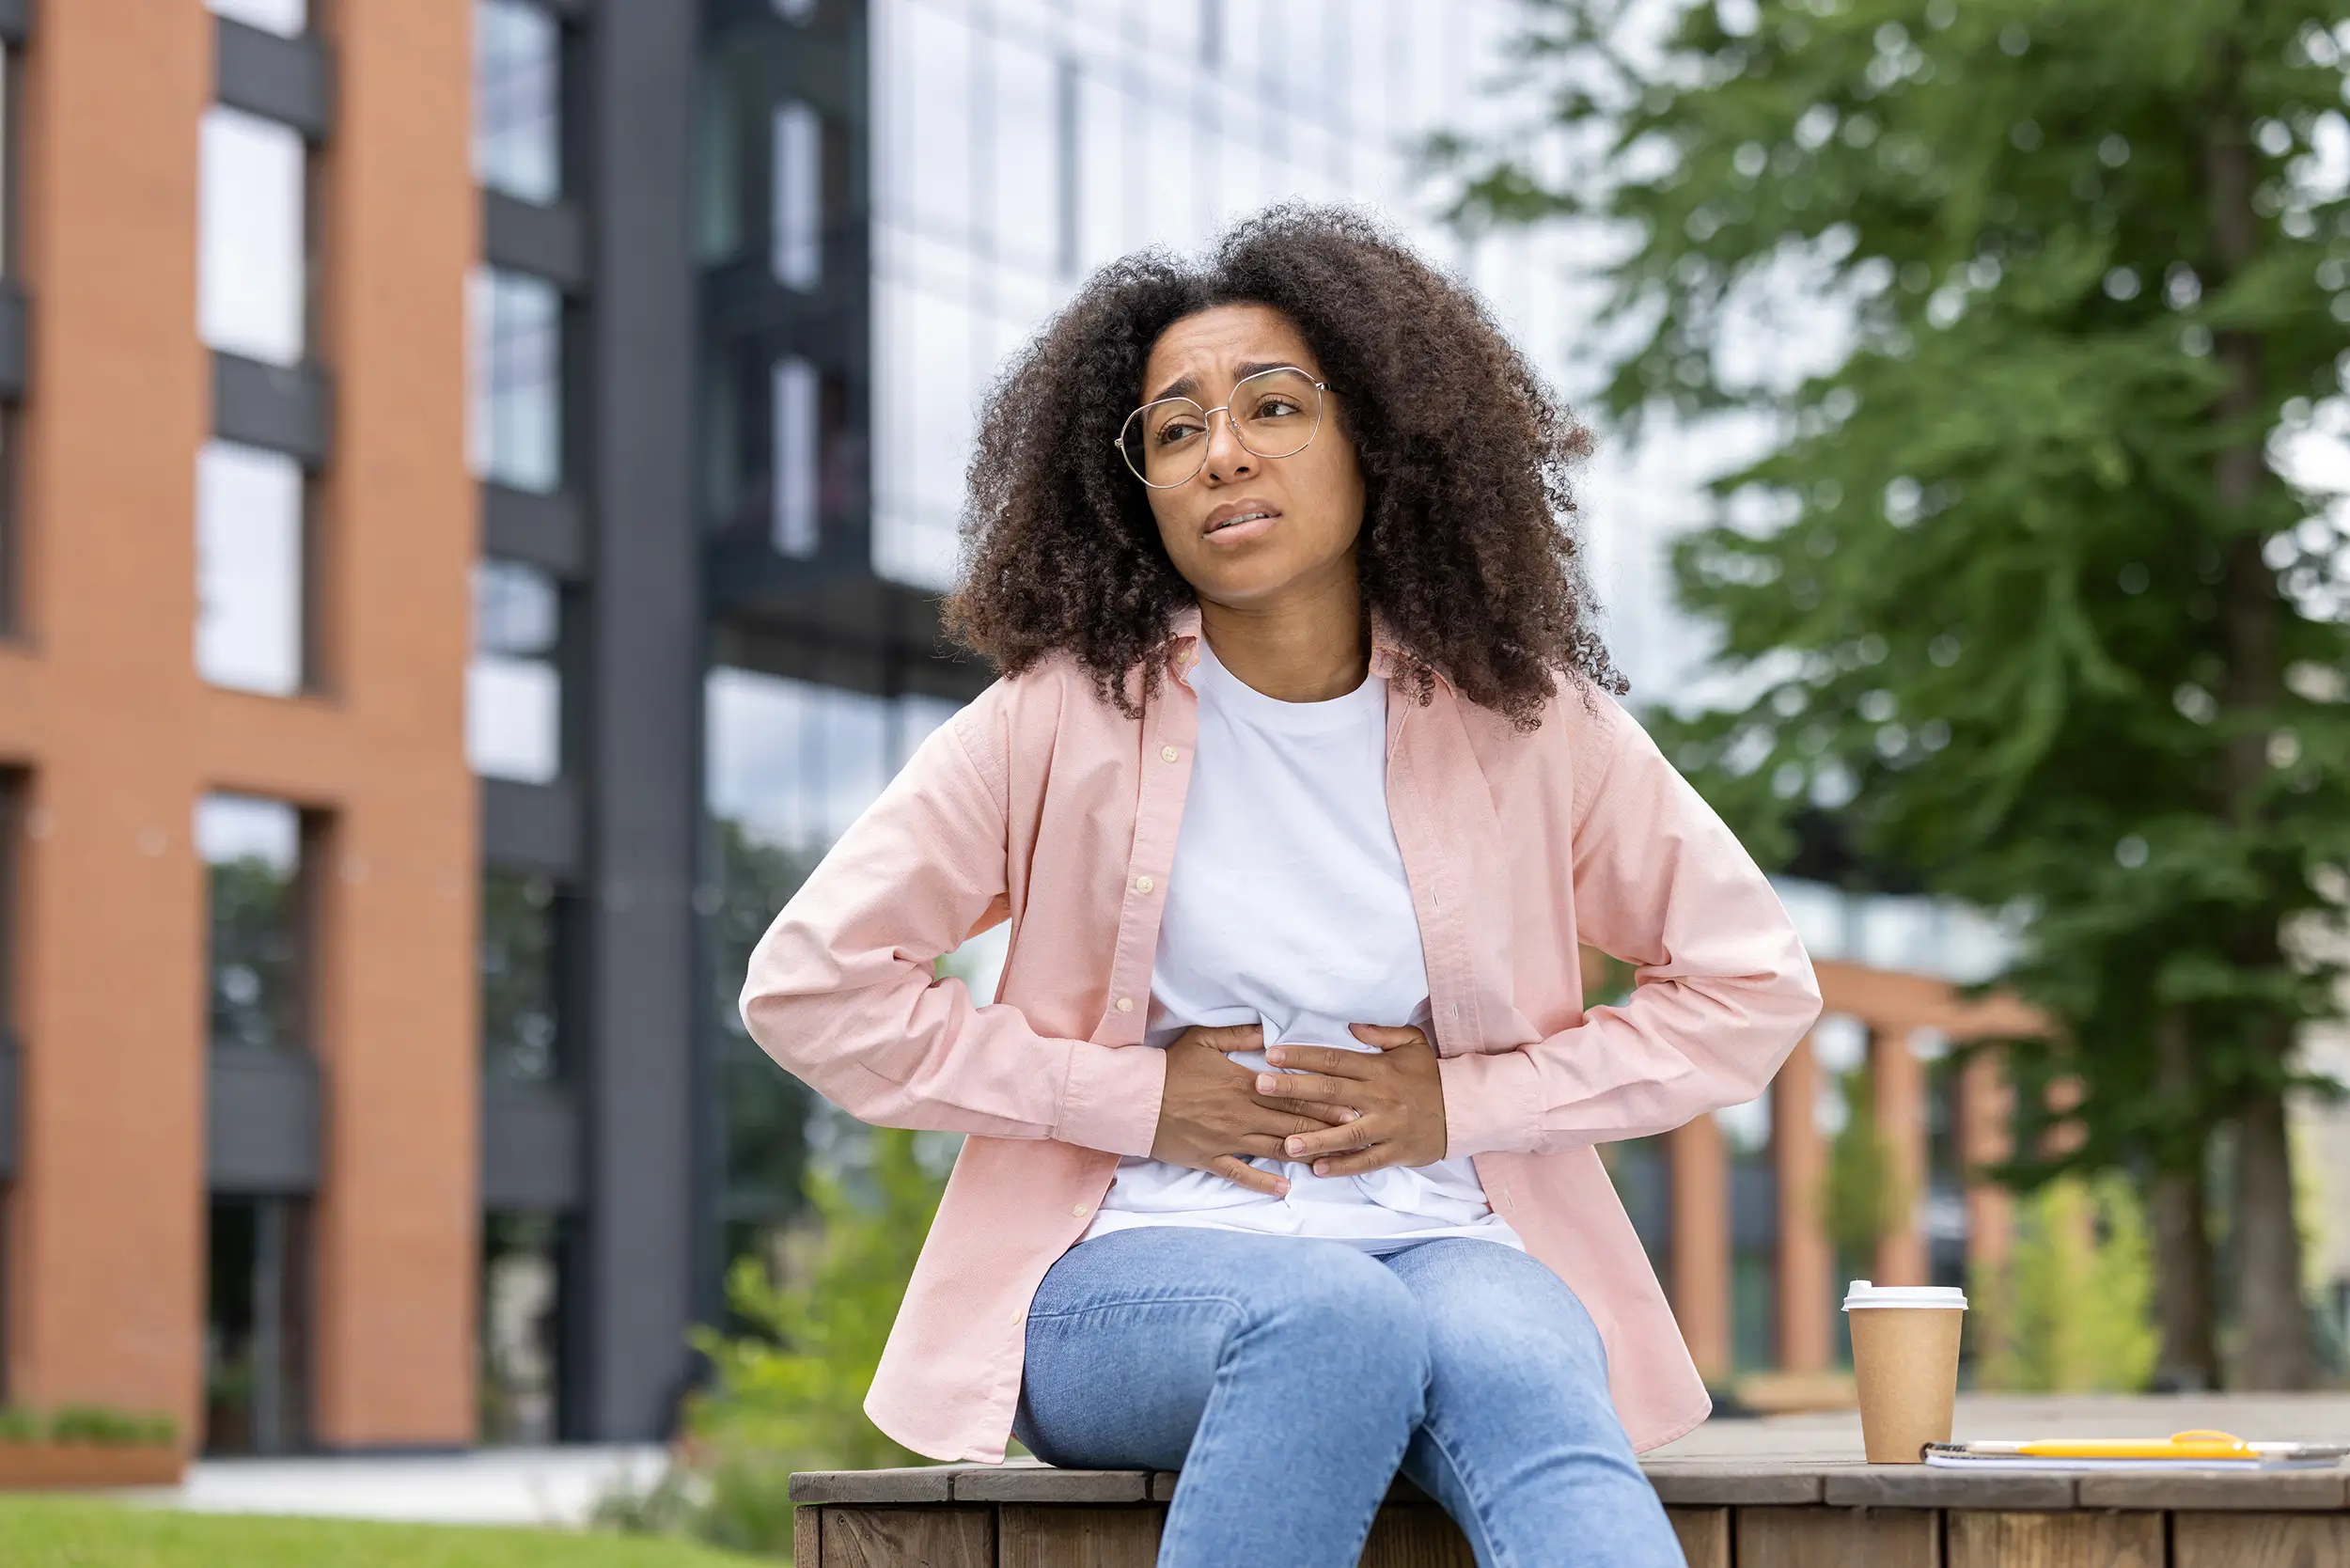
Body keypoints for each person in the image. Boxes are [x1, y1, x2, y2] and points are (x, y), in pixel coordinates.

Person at [741, 204, 1821, 1568]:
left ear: (1375, 431)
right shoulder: (1061, 717)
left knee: (1533, 1372)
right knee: (1327, 1315)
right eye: (1176, 432)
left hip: (1457, 1237)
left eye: (1272, 406)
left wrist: (1464, 1103)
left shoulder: (1526, 719)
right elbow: (811, 986)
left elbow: (1750, 984)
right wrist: (1133, 1097)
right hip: (1126, 1273)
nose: (1223, 453)